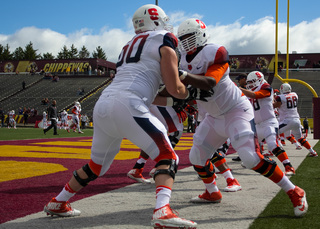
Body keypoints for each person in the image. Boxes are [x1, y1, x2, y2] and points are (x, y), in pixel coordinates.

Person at [43, 4, 210, 228]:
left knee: (96, 165)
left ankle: (58, 201)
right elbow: (174, 87)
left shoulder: (128, 45)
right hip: (129, 102)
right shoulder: (166, 38)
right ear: (158, 20)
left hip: (105, 104)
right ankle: (162, 211)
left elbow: (151, 94)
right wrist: (188, 93)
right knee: (168, 156)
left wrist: (175, 99)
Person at [177, 18, 307, 217]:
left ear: (201, 34)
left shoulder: (215, 52)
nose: (186, 42)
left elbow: (210, 82)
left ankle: (294, 190)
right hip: (213, 116)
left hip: (236, 110)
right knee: (196, 156)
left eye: (190, 37)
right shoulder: (180, 59)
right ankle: (212, 192)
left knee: (250, 158)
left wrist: (181, 77)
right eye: (183, 38)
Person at [240, 71, 295, 175]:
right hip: (257, 125)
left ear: (259, 80)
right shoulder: (249, 91)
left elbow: (257, 95)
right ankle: (259, 161)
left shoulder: (265, 86)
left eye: (252, 81)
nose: (250, 84)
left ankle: (289, 167)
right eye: (249, 82)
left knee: (272, 144)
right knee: (247, 147)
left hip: (269, 122)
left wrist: (240, 90)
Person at [274, 83, 318, 157]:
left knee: (272, 133)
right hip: (297, 120)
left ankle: (273, 151)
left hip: (287, 121)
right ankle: (313, 152)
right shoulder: (295, 94)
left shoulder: (280, 97)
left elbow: (275, 105)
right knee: (300, 138)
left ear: (282, 89)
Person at [232, 73, 247, 162]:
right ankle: (242, 154)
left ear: (244, 79)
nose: (238, 81)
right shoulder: (244, 89)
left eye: (240, 79)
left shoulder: (247, 89)